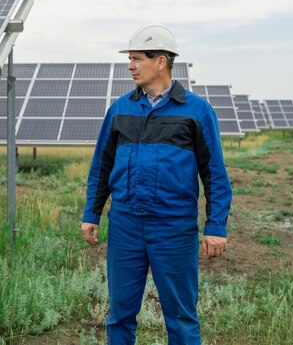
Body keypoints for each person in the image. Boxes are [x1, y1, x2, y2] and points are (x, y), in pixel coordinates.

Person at [81, 25, 232, 345]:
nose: (130, 65)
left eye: (137, 59)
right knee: (120, 315)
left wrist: (216, 225)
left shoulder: (197, 111)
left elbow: (215, 173)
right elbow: (101, 166)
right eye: (130, 59)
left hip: (174, 227)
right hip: (125, 225)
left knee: (180, 315)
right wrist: (91, 214)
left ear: (161, 61)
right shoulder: (120, 109)